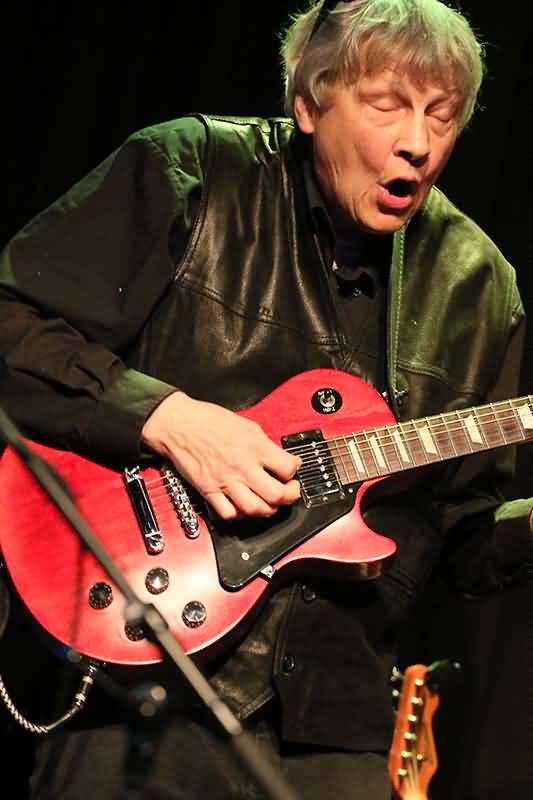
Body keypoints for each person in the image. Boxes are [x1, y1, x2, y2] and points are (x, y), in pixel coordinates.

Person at [1, 0, 533, 797]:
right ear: (310, 103)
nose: (418, 144)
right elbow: (13, 325)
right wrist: (166, 418)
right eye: (386, 105)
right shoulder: (192, 167)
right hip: (138, 681)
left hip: (334, 719)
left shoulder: (481, 287)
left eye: (441, 114)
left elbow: (462, 541)